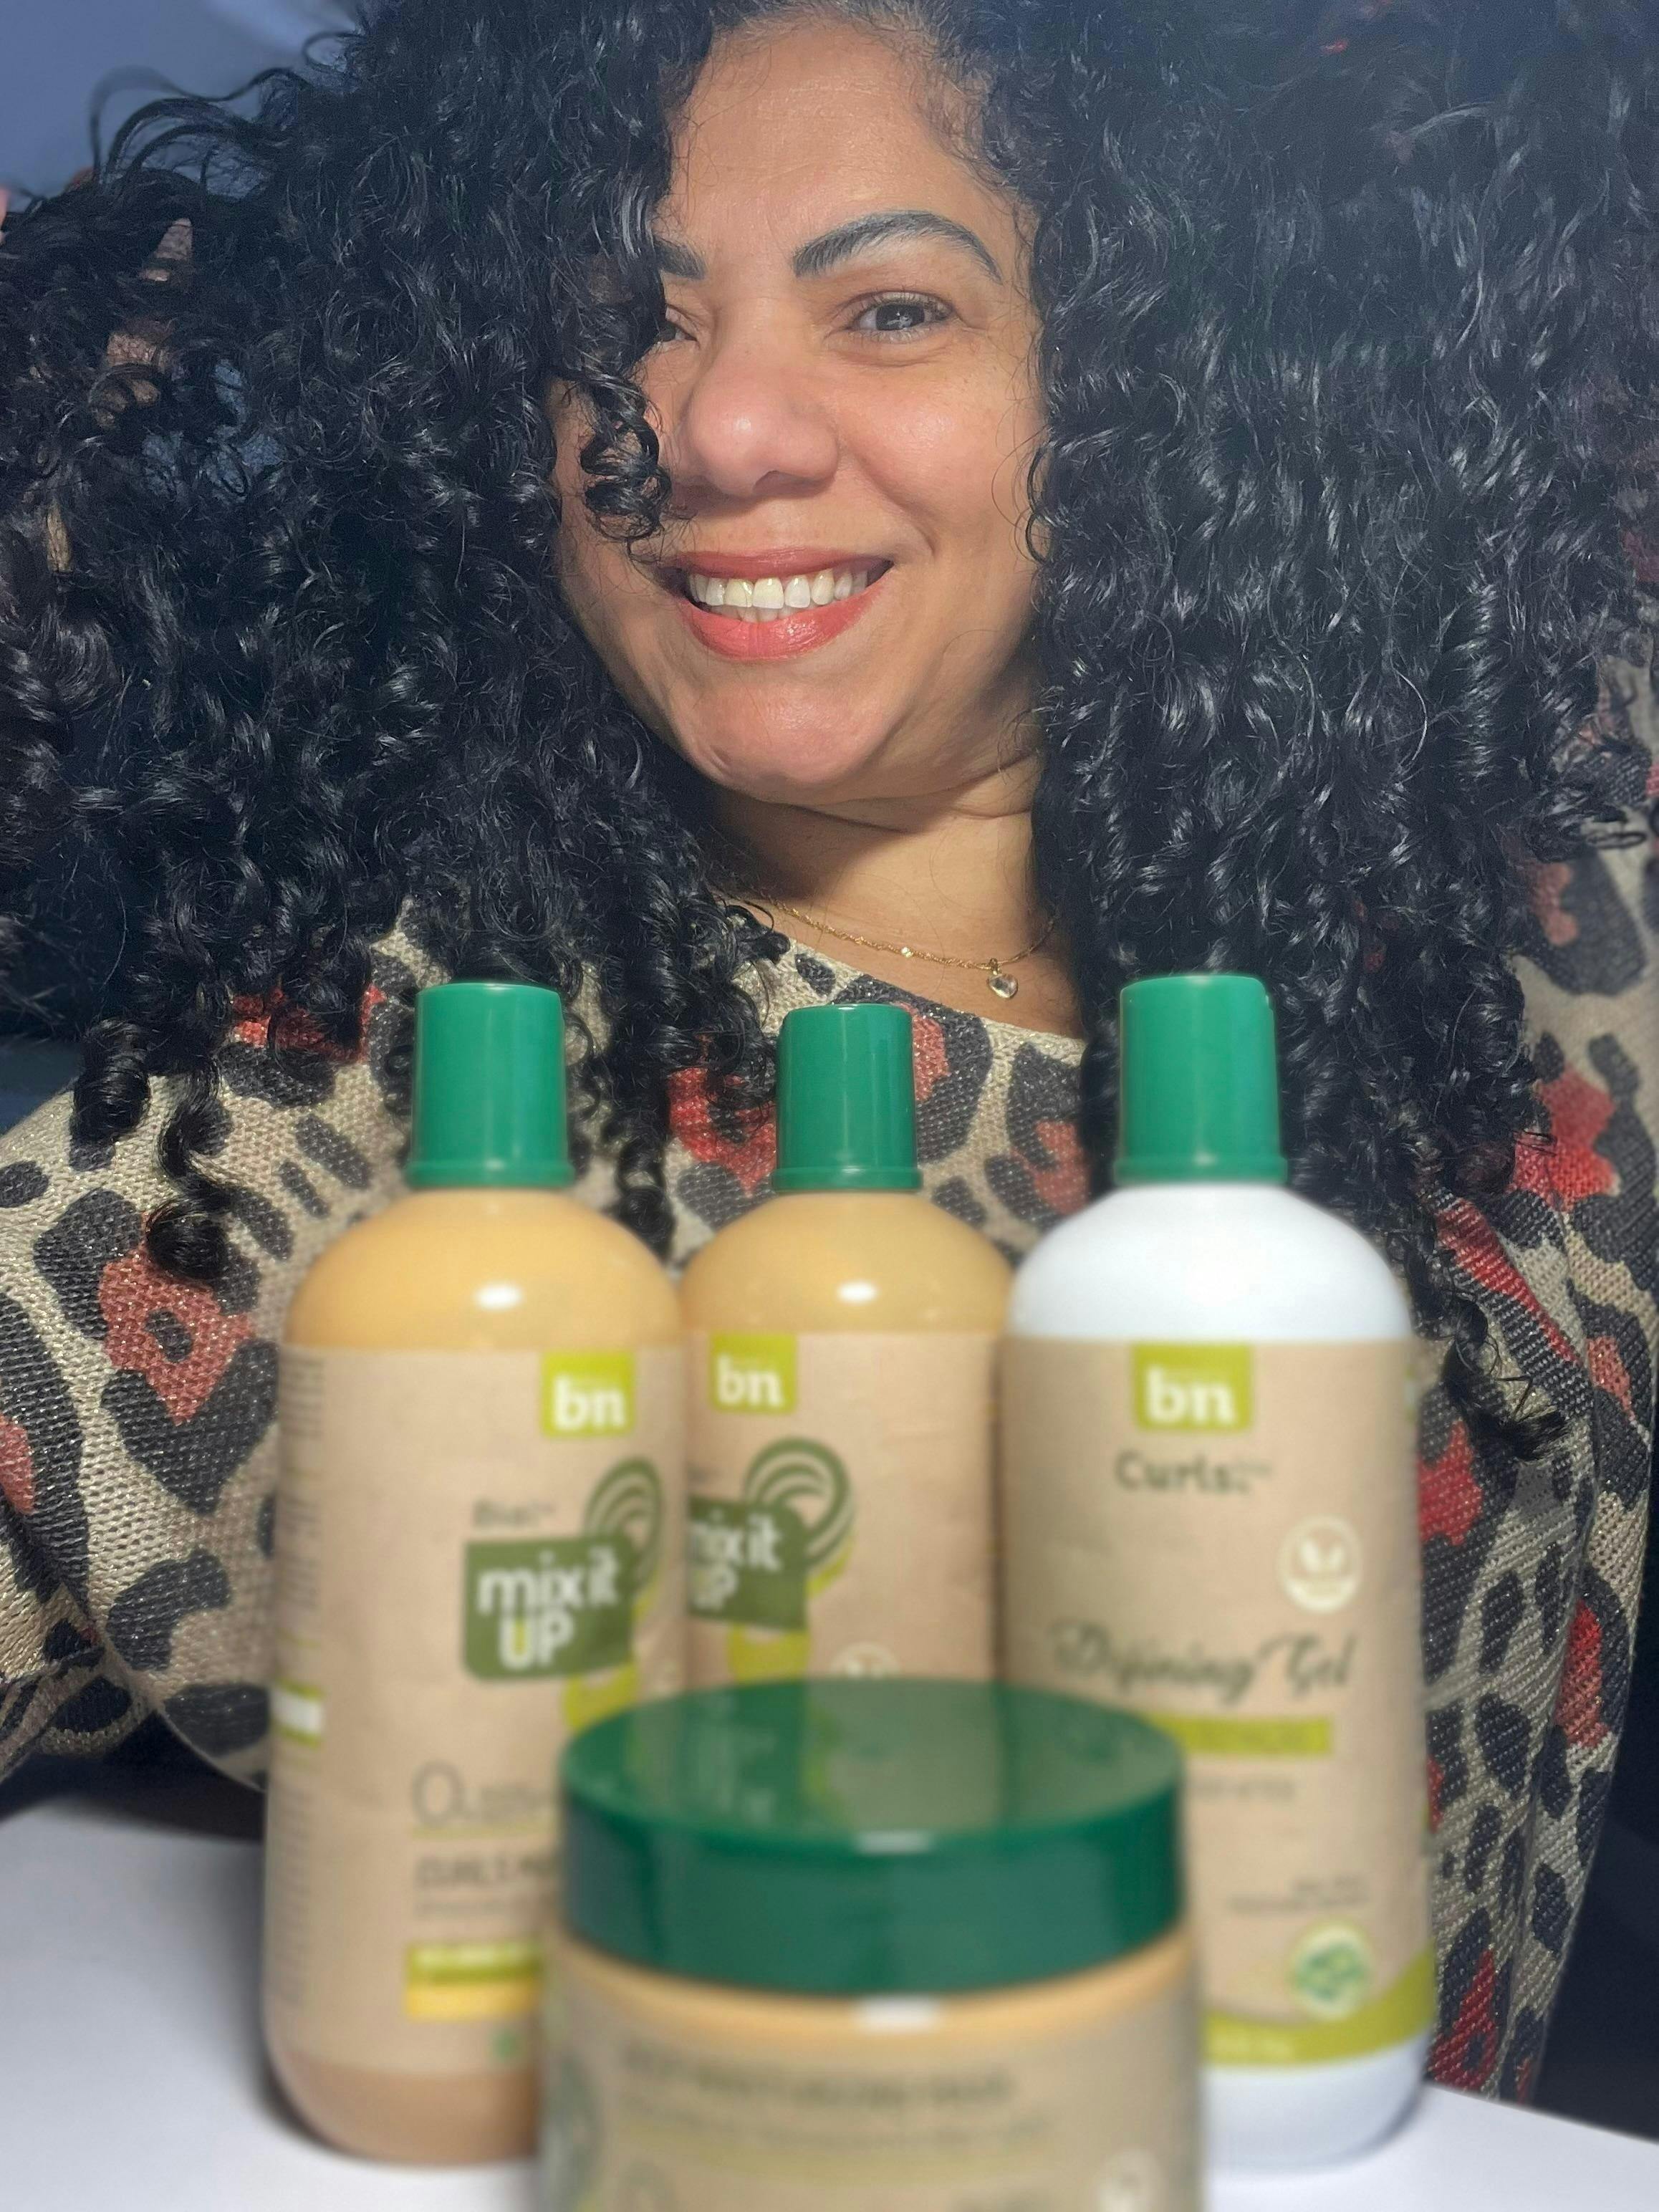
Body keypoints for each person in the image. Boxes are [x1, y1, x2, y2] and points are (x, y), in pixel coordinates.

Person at [0, 0, 1655, 2103]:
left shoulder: (1497, 927)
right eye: (625, 324)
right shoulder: (367, 1125)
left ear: (1148, 375)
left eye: (890, 310)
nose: (717, 430)